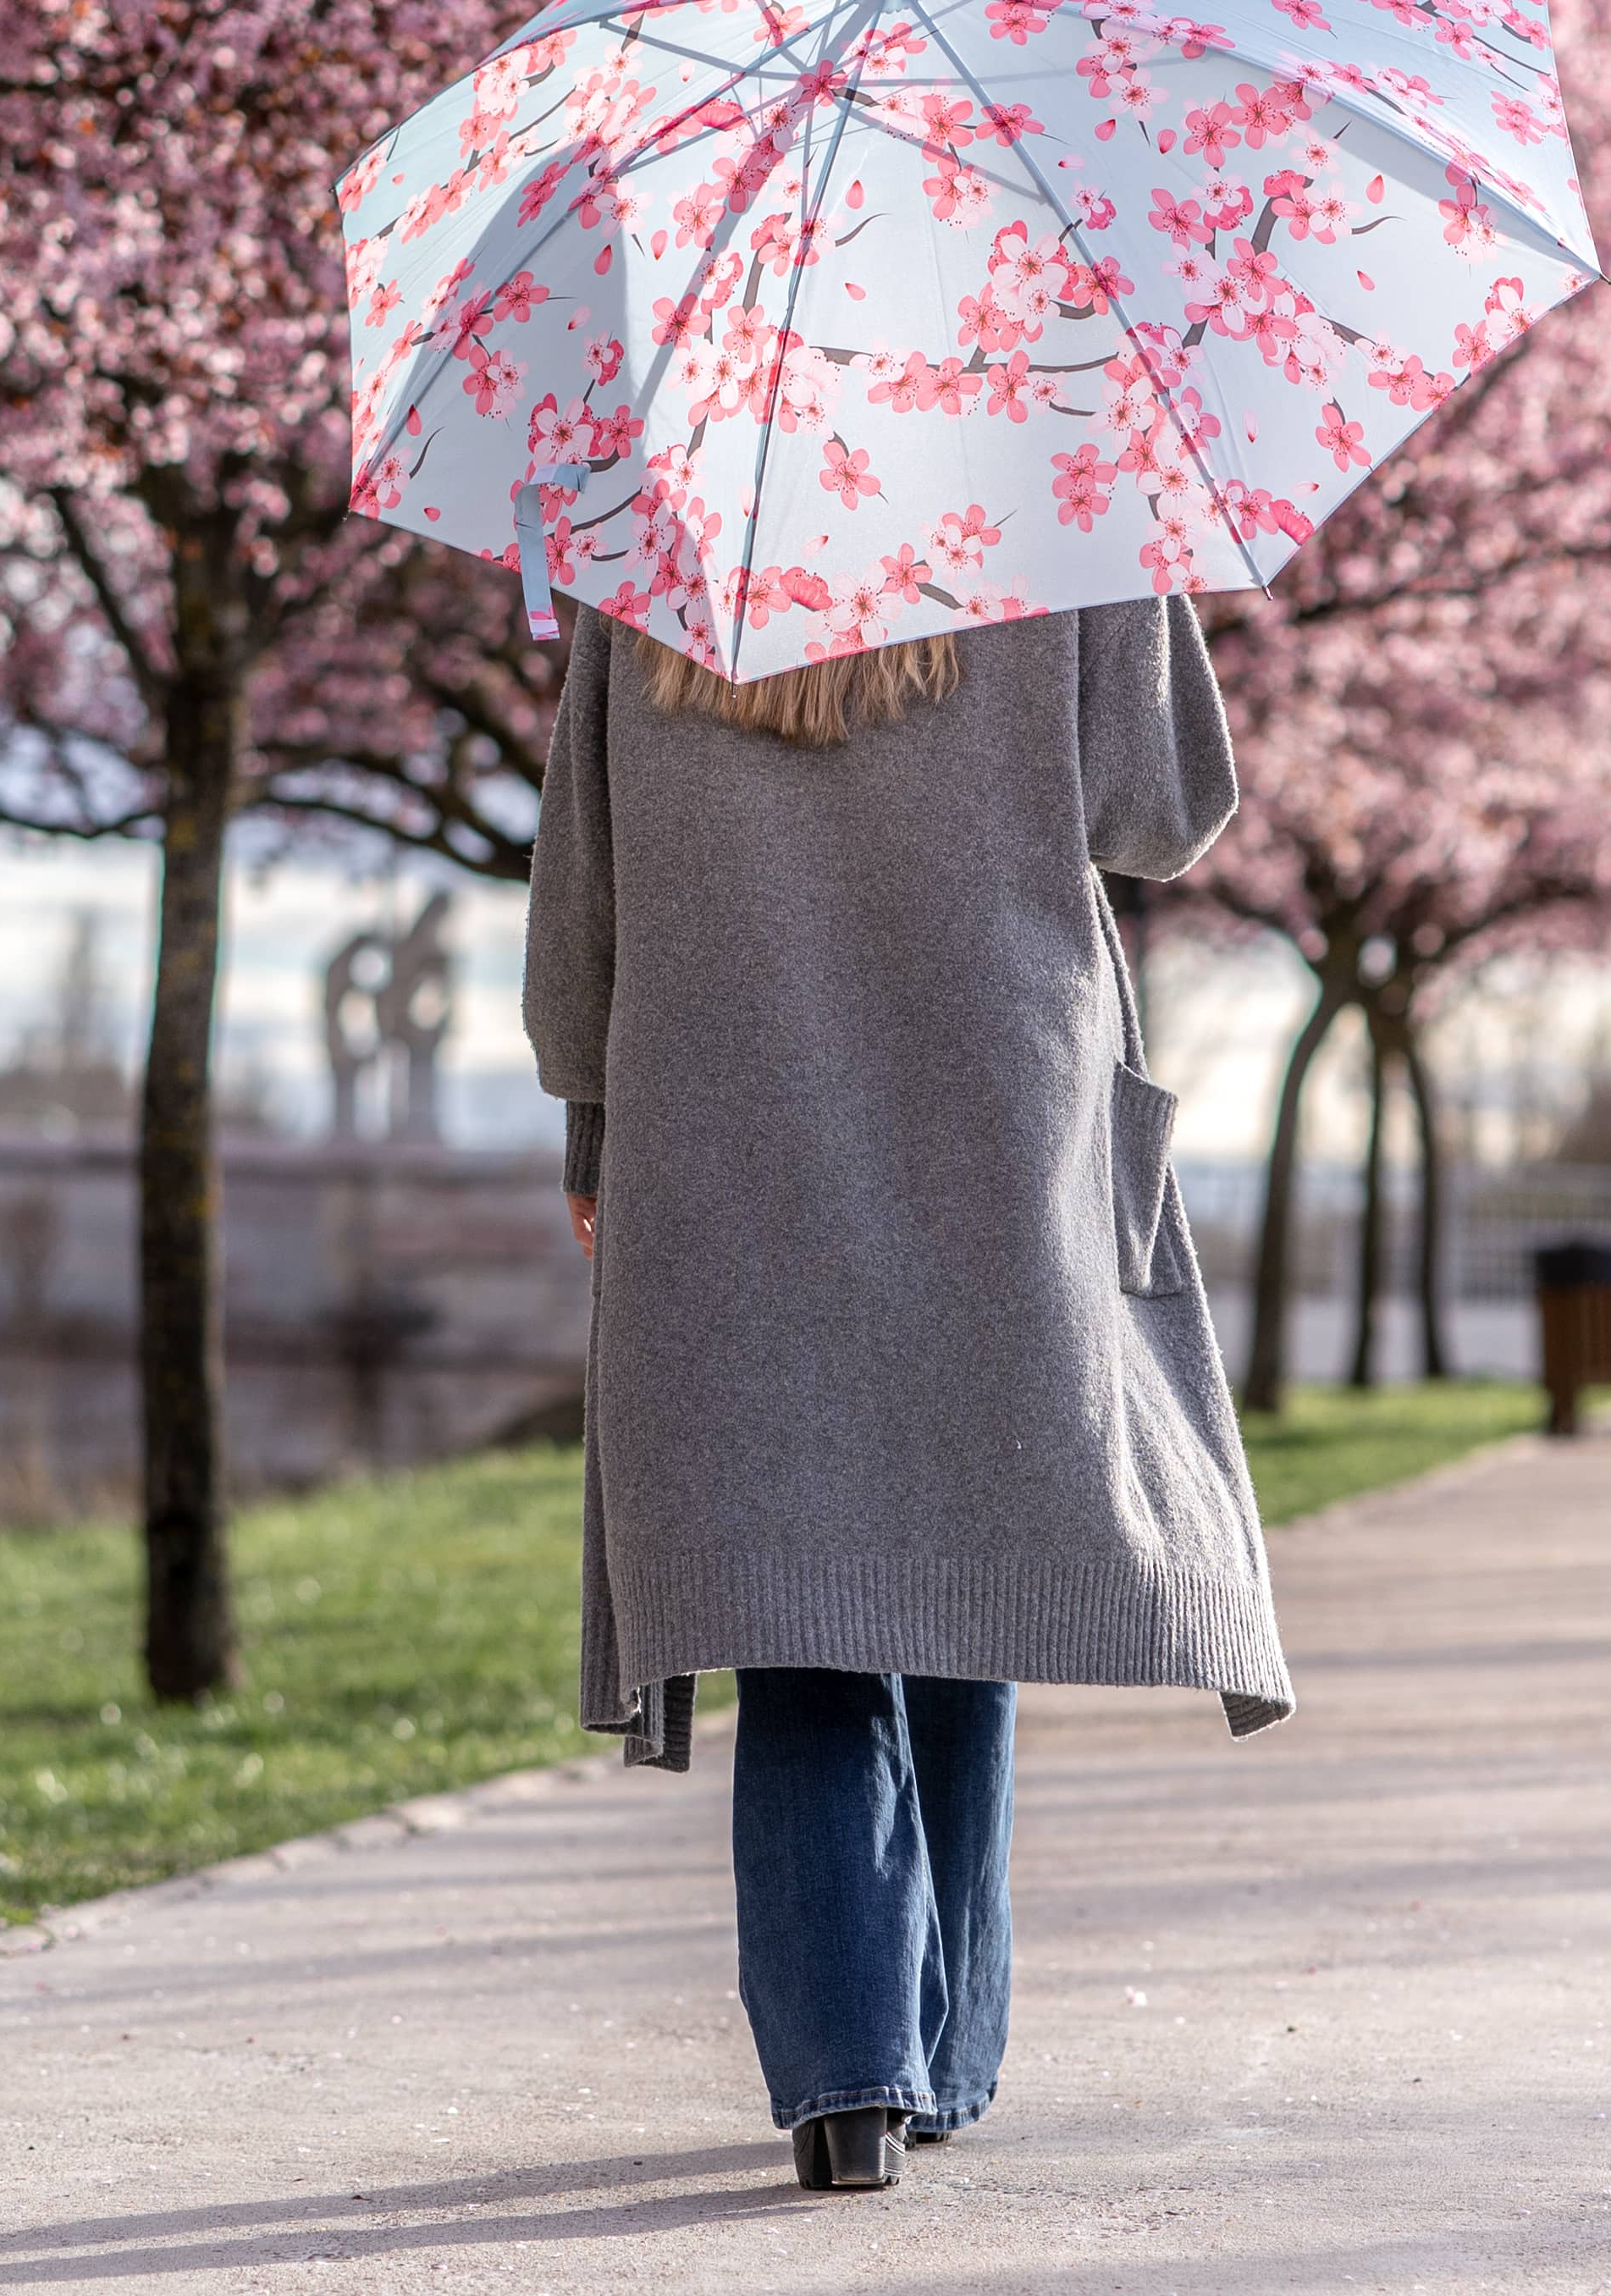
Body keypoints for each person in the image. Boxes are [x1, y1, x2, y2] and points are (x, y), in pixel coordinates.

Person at [521, 594, 1292, 2192]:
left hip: (720, 1121)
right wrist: (1138, 575)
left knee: (794, 1592)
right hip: (991, 1113)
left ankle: (847, 2078)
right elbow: (1162, 813)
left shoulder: (655, 542)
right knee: (964, 1554)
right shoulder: (1054, 524)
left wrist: (594, 1122)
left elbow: (578, 879)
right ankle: (937, 2058)